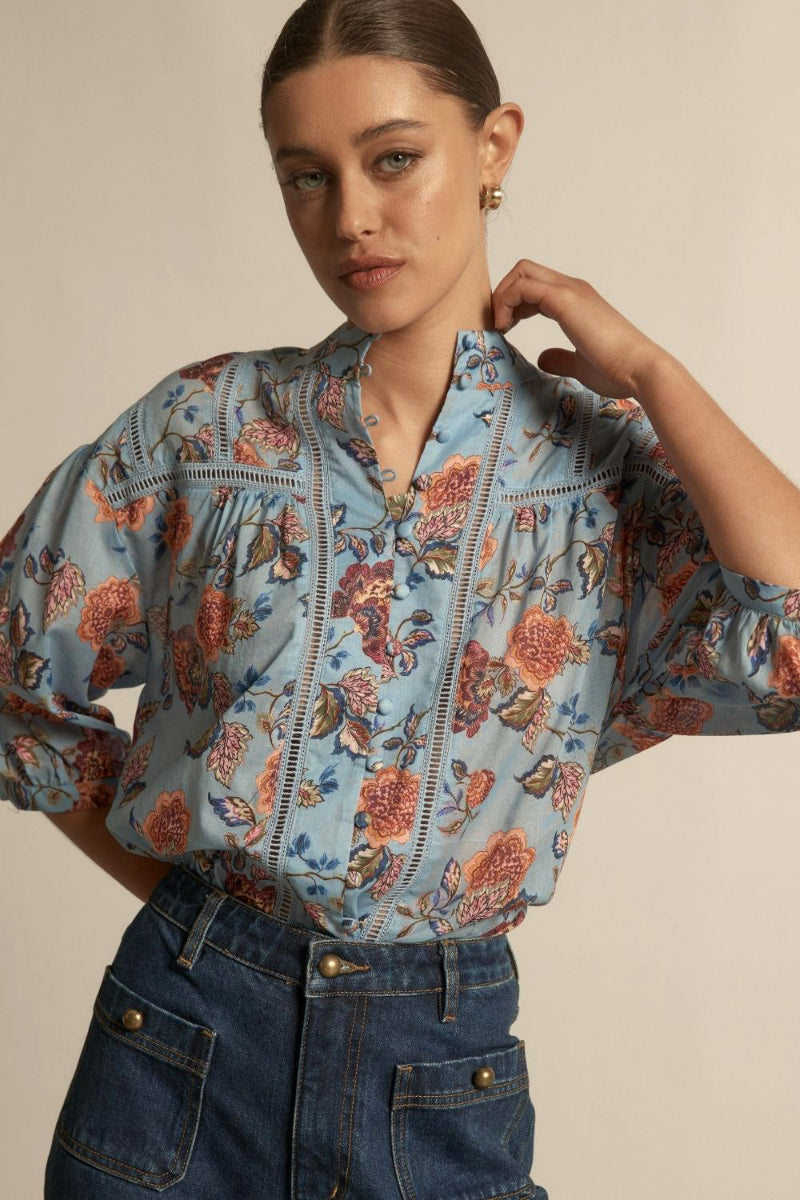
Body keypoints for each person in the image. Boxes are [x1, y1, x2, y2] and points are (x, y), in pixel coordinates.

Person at [2, 0, 799, 1196]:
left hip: (440, 1062)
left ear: (492, 149)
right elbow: (15, 673)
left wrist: (647, 369)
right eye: (305, 177)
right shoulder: (206, 428)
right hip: (179, 1045)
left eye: (393, 159)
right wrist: (195, 909)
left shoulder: (607, 474)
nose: (351, 218)